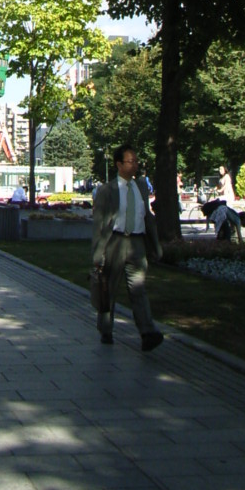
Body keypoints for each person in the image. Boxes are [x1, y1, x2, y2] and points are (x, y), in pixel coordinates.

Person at [91, 145, 163, 351]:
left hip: (137, 244)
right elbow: (99, 224)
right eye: (130, 161)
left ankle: (147, 332)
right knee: (109, 289)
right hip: (115, 242)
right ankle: (106, 330)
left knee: (138, 289)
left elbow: (147, 216)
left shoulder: (140, 187)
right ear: (119, 164)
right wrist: (98, 254)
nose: (135, 165)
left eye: (136, 161)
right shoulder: (107, 191)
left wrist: (155, 245)